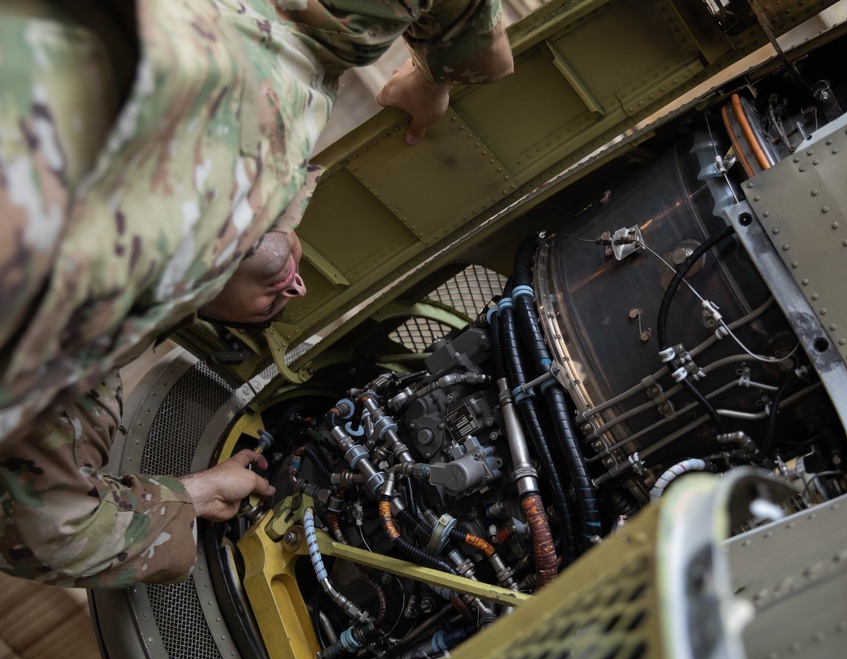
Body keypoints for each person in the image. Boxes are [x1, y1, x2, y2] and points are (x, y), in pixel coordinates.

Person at [0, 0, 514, 587]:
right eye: (271, 305)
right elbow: (51, 530)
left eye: (277, 300)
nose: (296, 284)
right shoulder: (297, 54)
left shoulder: (278, 33)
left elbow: (51, 529)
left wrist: (435, 79)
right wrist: (187, 495)